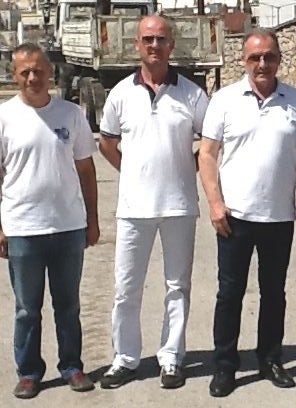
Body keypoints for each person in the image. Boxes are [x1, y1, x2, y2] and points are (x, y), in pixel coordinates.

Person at [199, 28, 296, 398]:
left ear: (279, 59)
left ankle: (270, 359)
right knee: (229, 294)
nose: (262, 64)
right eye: (255, 57)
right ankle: (225, 366)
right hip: (234, 216)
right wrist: (215, 204)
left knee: (274, 293)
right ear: (244, 60)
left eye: (269, 56)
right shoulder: (224, 100)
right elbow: (207, 154)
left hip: (278, 216)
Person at [98, 15, 209, 389]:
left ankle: (172, 358)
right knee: (126, 288)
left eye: (161, 39)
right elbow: (107, 142)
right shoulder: (120, 94)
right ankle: (125, 359)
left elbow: (211, 143)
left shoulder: (192, 95)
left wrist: (188, 167)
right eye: (147, 39)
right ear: (137, 45)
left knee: (177, 287)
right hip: (133, 209)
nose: (154, 45)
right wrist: (131, 170)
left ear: (171, 45)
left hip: (179, 206)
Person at [0, 42, 99, 399]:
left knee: (68, 306)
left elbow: (86, 169)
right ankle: (29, 372)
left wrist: (92, 220)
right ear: (14, 75)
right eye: (25, 72)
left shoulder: (70, 114)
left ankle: (72, 367)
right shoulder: (4, 117)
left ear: (50, 73)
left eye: (38, 70)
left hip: (68, 227)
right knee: (27, 310)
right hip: (23, 228)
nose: (32, 77)